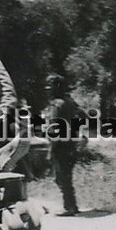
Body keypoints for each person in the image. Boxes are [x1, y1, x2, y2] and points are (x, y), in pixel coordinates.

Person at [44, 74, 80, 216]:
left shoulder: (56, 104)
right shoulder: (70, 102)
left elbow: (54, 128)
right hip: (71, 143)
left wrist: (50, 149)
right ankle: (71, 205)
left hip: (60, 145)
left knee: (62, 177)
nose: (47, 90)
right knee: (65, 176)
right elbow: (82, 118)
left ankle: (70, 207)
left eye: (50, 87)